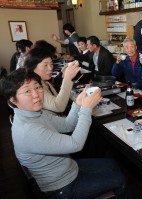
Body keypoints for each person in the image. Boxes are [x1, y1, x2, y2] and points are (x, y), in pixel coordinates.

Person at [0, 68, 129, 198]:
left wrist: (78, 103)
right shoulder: (27, 130)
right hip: (62, 187)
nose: (36, 95)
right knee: (120, 179)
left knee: (112, 164)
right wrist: (86, 109)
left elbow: (67, 125)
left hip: (68, 168)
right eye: (27, 91)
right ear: (13, 99)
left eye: (38, 87)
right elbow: (76, 144)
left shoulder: (33, 114)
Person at [24, 47, 80, 114]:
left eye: (51, 64)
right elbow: (59, 107)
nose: (50, 68)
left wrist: (63, 76)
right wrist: (67, 79)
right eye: (45, 65)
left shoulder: (44, 81)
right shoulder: (35, 86)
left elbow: (57, 96)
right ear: (33, 67)